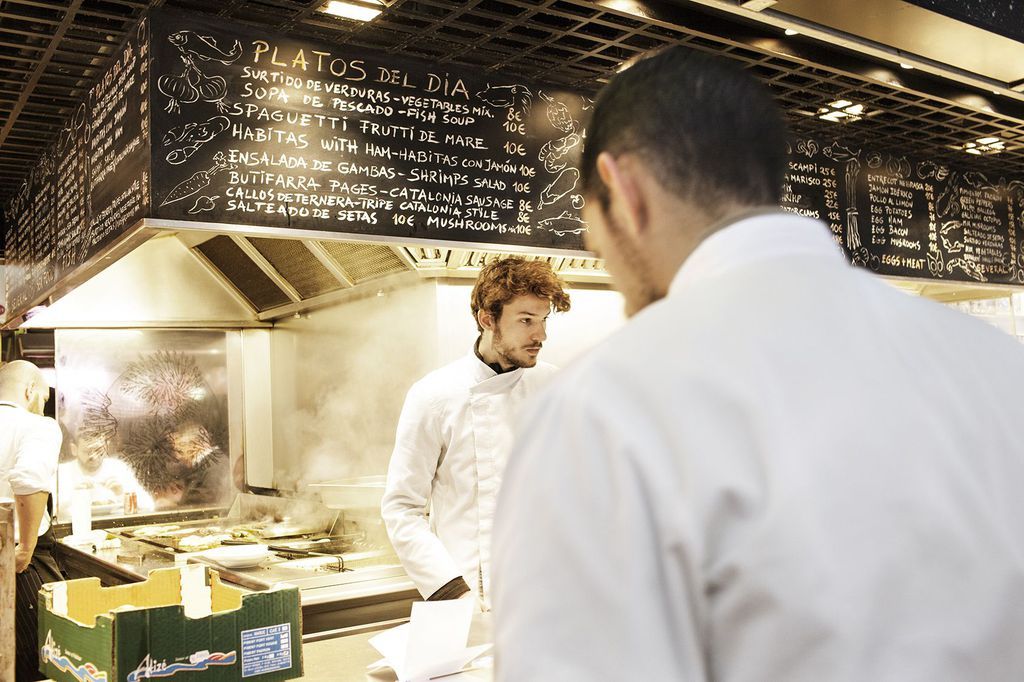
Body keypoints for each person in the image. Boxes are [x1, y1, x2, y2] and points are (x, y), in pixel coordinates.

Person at [492, 46, 1024, 681]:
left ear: (623, 188)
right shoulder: (998, 367)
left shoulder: (604, 410)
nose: (595, 249)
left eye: (589, 224)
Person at [382, 257, 570, 610]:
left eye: (543, 320)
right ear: (488, 319)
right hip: (470, 598)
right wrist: (452, 591)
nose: (540, 336)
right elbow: (402, 508)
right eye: (526, 321)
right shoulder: (434, 395)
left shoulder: (555, 387)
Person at [0, 360, 63, 681]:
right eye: (44, 397)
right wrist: (24, 547)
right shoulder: (38, 426)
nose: (43, 406)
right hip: (19, 563)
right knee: (51, 659)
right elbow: (27, 479)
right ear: (29, 391)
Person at [56, 432, 155, 522]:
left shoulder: (117, 468)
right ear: (74, 449)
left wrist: (122, 493)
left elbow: (149, 506)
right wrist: (74, 494)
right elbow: (49, 512)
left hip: (114, 527)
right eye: (87, 451)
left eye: (99, 451)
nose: (94, 456)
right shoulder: (63, 472)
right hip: (74, 529)